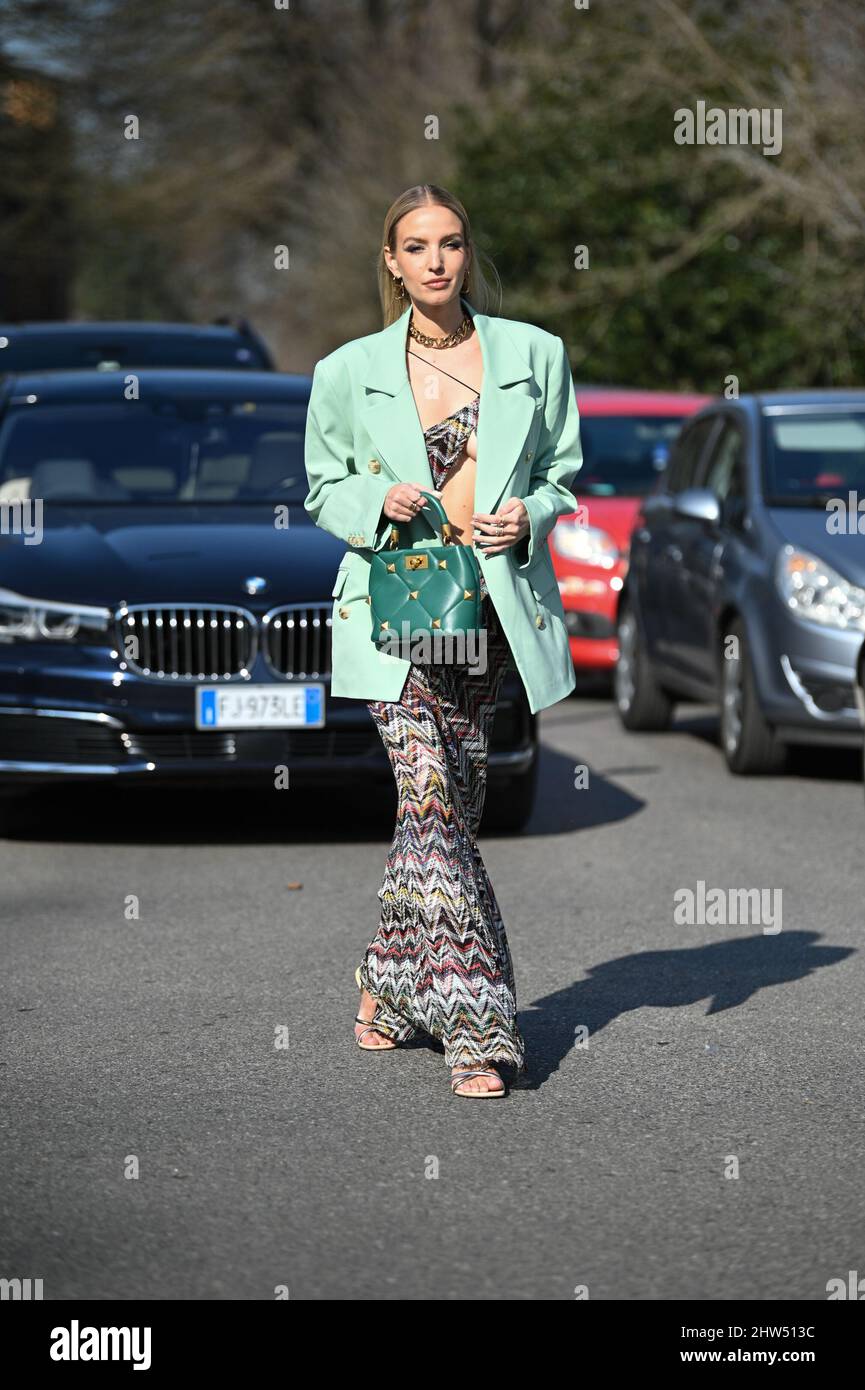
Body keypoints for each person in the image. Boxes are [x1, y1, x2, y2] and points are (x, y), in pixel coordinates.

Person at [303, 183, 583, 1098]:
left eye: (451, 243)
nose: (435, 260)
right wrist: (370, 503)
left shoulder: (535, 355)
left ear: (467, 255)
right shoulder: (346, 370)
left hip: (484, 614)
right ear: (390, 261)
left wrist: (528, 515)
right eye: (416, 246)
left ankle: (386, 986)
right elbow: (319, 488)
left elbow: (563, 475)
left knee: (448, 812)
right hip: (394, 613)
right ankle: (478, 1027)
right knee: (428, 800)